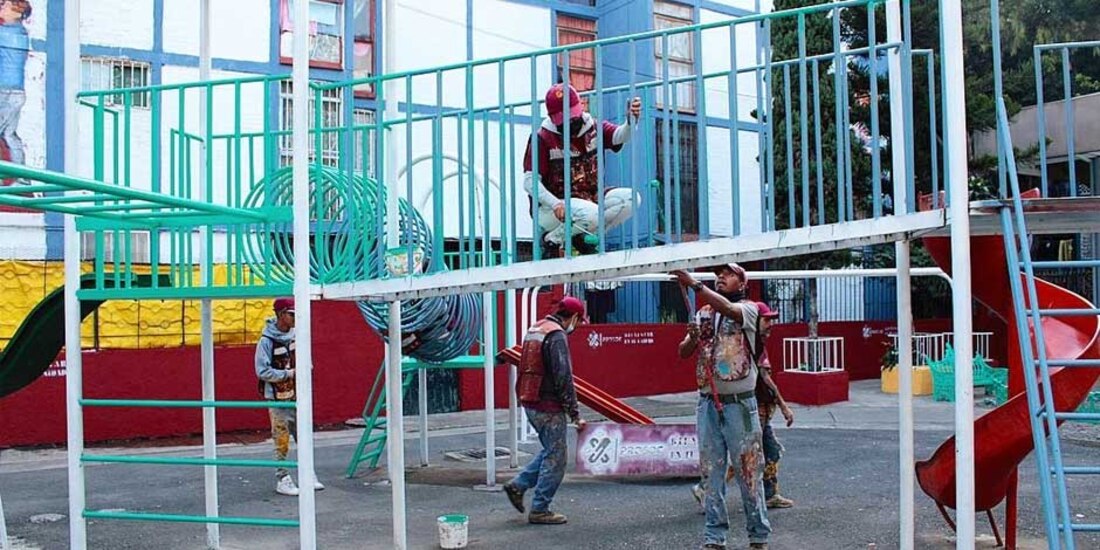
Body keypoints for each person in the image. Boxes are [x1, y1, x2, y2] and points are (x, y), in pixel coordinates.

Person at [674, 264, 770, 550]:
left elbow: (729, 310)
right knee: (711, 473)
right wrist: (692, 337)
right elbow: (683, 352)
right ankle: (714, 537)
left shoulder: (750, 309)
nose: (720, 278)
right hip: (707, 404)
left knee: (749, 472)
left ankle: (758, 535)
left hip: (739, 405)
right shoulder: (703, 313)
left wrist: (694, 284)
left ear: (742, 283)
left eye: (728, 274)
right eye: (718, 274)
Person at [523, 83, 642, 257]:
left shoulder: (594, 127)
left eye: (572, 116)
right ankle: (552, 239)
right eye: (563, 120)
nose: (570, 122)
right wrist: (555, 203)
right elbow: (529, 182)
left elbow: (619, 136)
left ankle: (584, 236)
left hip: (590, 200)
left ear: (580, 108)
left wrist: (631, 123)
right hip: (552, 209)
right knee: (591, 213)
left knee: (631, 198)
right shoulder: (542, 138)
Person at [503, 296, 588, 525]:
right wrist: (575, 414)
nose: (577, 327)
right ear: (574, 317)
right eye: (579, 322)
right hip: (547, 404)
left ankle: (518, 485)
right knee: (557, 457)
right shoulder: (557, 335)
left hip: (529, 399)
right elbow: (563, 377)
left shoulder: (537, 328)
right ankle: (540, 508)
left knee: (551, 449)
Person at [255, 297, 324, 496]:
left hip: (298, 395)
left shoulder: (297, 335)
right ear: (280, 314)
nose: (295, 319)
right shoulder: (266, 341)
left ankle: (307, 473)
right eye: (291, 314)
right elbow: (262, 371)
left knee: (304, 437)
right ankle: (282, 478)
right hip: (277, 399)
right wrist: (289, 374)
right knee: (282, 440)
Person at [753, 302, 795, 509]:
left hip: (762, 409)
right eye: (766, 319)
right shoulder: (753, 344)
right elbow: (766, 379)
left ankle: (770, 493)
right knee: (747, 454)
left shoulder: (757, 343)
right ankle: (706, 489)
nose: (771, 324)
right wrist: (784, 406)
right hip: (756, 409)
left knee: (771, 451)